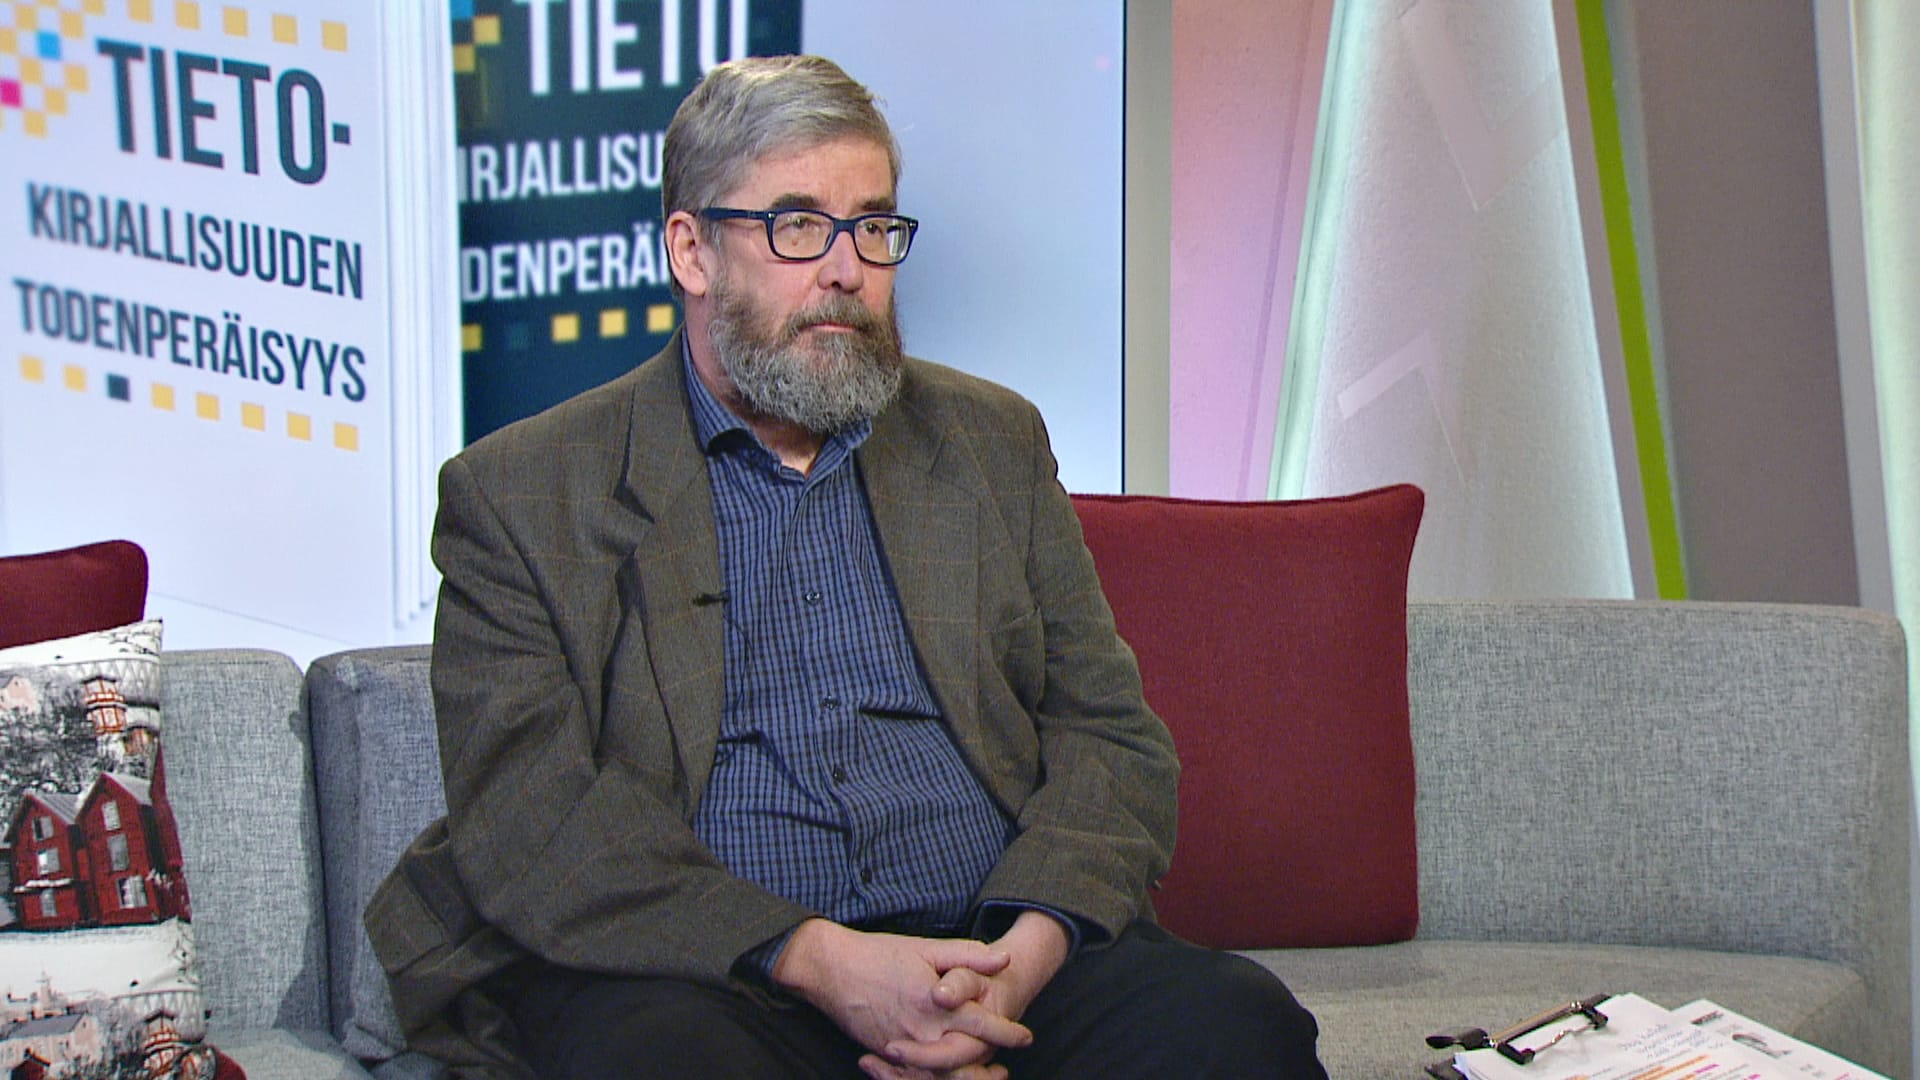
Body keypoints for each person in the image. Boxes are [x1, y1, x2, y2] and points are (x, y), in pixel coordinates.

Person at [367, 54, 1326, 1080]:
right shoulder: (523, 493)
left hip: (989, 956)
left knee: (1238, 1025)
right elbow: (533, 821)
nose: (846, 269)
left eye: (872, 227)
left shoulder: (989, 442)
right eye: (796, 225)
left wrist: (1014, 967)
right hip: (717, 976)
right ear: (692, 251)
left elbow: (1110, 737)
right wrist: (821, 961)